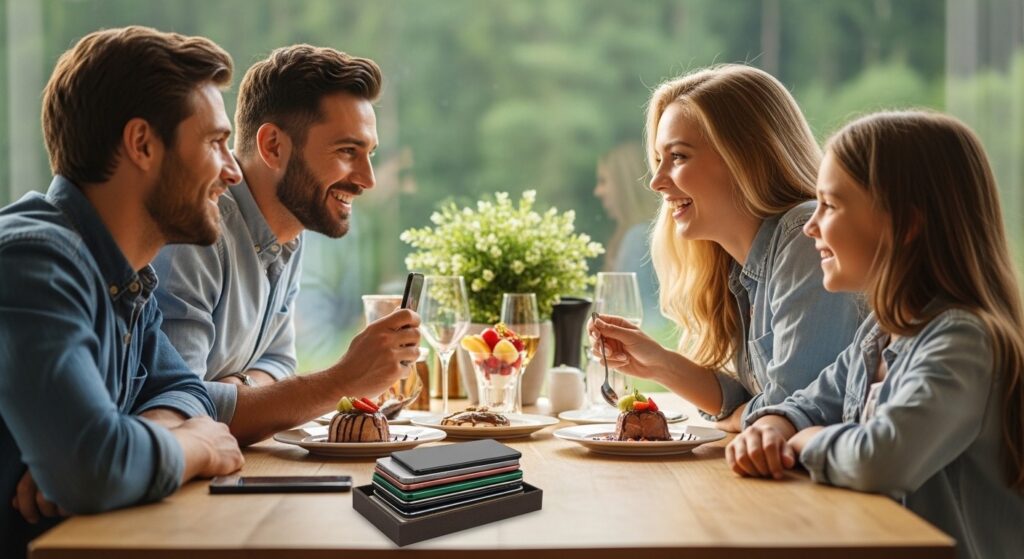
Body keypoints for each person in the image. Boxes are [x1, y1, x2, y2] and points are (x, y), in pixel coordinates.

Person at [727, 111, 1024, 559]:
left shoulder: (962, 342)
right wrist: (770, 428)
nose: (810, 226)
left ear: (904, 224)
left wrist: (804, 440)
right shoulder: (880, 333)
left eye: (830, 205)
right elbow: (807, 405)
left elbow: (881, 460)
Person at [0, 26, 244, 558]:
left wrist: (140, 437)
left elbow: (188, 390)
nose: (233, 171)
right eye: (215, 142)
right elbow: (90, 470)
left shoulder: (126, 277)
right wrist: (195, 446)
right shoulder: (33, 262)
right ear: (142, 144)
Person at [151, 44, 421, 446]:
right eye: (347, 151)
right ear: (274, 147)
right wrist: (344, 379)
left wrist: (237, 390)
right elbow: (180, 410)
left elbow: (279, 362)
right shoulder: (196, 231)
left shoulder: (290, 225)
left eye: (369, 153)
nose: (368, 179)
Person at [589, 65, 862, 430]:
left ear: (745, 159)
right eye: (658, 160)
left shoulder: (805, 238)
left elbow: (792, 411)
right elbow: (749, 399)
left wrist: (739, 418)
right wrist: (659, 364)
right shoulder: (739, 266)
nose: (656, 182)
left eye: (678, 156)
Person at [593, 141, 664, 332]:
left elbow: (639, 317)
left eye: (603, 181)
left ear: (623, 184)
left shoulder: (638, 238)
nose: (598, 191)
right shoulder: (639, 234)